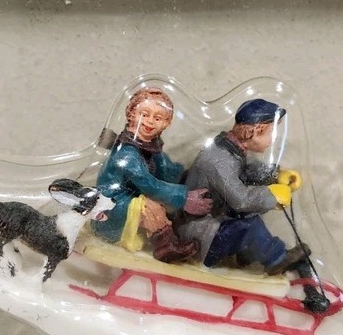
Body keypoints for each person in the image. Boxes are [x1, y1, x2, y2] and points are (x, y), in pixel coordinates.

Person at [178, 99, 309, 276]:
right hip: (201, 236)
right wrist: (272, 195)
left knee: (247, 219)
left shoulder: (229, 150)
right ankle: (277, 260)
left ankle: (247, 254)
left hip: (214, 224)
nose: (273, 139)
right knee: (248, 226)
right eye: (271, 133)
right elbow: (241, 201)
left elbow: (245, 171)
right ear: (253, 131)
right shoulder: (219, 161)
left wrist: (275, 175)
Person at [94, 87, 212, 263]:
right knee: (150, 207)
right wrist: (184, 197)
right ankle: (165, 248)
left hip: (128, 197)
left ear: (166, 123)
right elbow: (149, 184)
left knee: (163, 201)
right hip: (110, 206)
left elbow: (164, 167)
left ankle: (174, 232)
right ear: (131, 115)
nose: (149, 121)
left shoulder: (148, 146)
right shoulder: (127, 153)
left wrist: (186, 175)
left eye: (157, 118)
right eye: (144, 114)